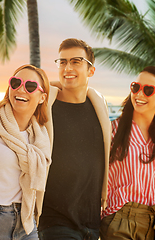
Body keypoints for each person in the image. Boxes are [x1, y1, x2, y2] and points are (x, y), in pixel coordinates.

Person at [0, 64, 51, 240]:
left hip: (26, 219)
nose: (21, 89)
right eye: (15, 82)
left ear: (42, 97)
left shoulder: (39, 136)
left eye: (30, 86)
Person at [38, 38, 111, 240]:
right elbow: (19, 93)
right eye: (62, 62)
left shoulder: (99, 109)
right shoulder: (45, 107)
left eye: (76, 61)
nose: (67, 67)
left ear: (91, 71)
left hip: (91, 222)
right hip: (54, 220)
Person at [100, 66, 155, 240]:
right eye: (136, 87)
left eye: (148, 90)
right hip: (120, 218)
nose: (140, 94)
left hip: (154, 223)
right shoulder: (113, 131)